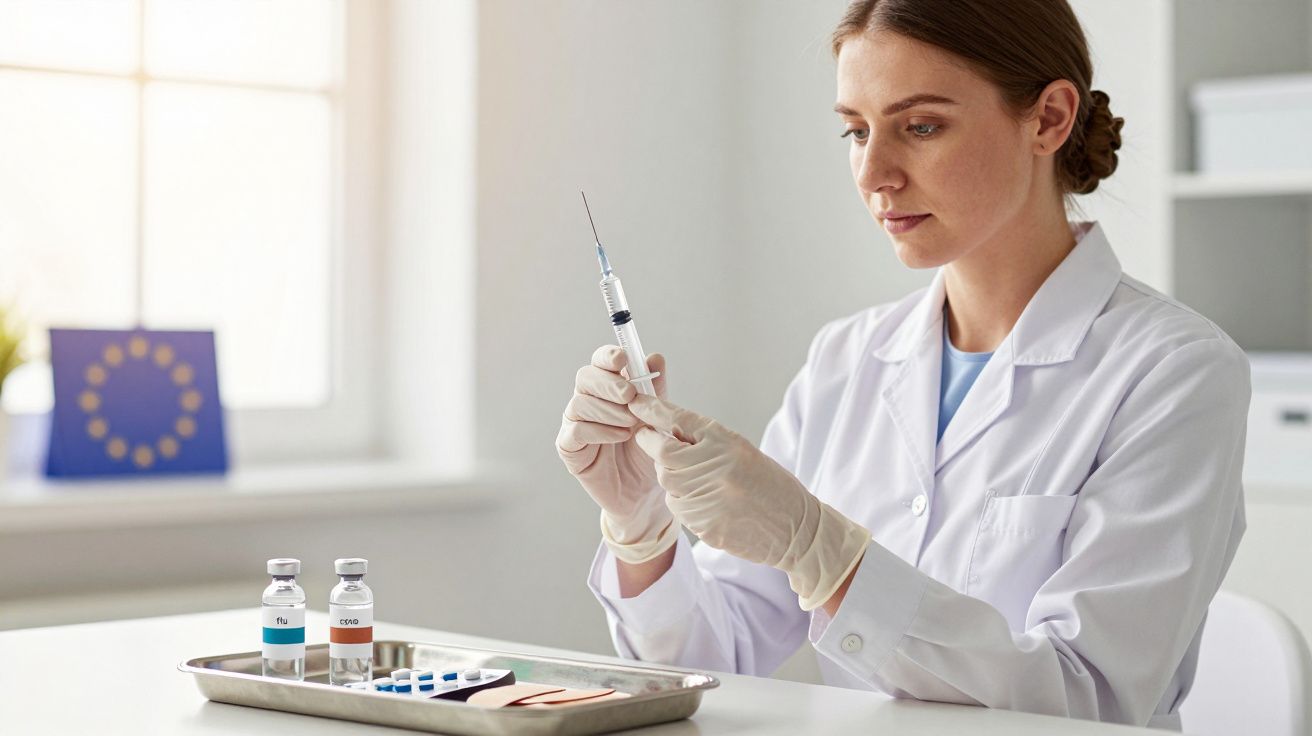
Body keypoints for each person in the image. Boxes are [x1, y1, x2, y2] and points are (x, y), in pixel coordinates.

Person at [555, 0, 1249, 730]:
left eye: (920, 127)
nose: (875, 173)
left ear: (1048, 118)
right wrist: (640, 526)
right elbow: (708, 659)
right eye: (856, 131)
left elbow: (1088, 699)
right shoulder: (847, 358)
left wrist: (822, 551)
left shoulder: (1176, 374)